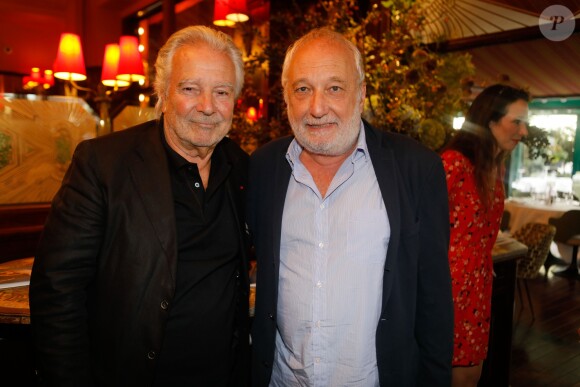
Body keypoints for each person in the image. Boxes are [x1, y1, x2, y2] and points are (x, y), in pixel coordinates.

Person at [29, 25, 251, 387]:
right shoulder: (104, 164)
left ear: (235, 101)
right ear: (162, 93)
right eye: (190, 89)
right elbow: (57, 290)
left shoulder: (242, 167)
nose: (207, 106)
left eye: (222, 92)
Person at [247, 27, 453, 386]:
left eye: (334, 88)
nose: (317, 108)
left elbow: (434, 298)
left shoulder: (416, 169)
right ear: (285, 96)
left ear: (361, 93)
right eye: (302, 89)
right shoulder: (264, 167)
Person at [440, 84, 530, 387]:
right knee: (456, 375)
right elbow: (418, 225)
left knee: (471, 374)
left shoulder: (492, 168)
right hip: (448, 287)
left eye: (525, 123)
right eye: (516, 122)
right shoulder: (454, 163)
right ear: (490, 121)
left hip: (478, 284)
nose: (523, 131)